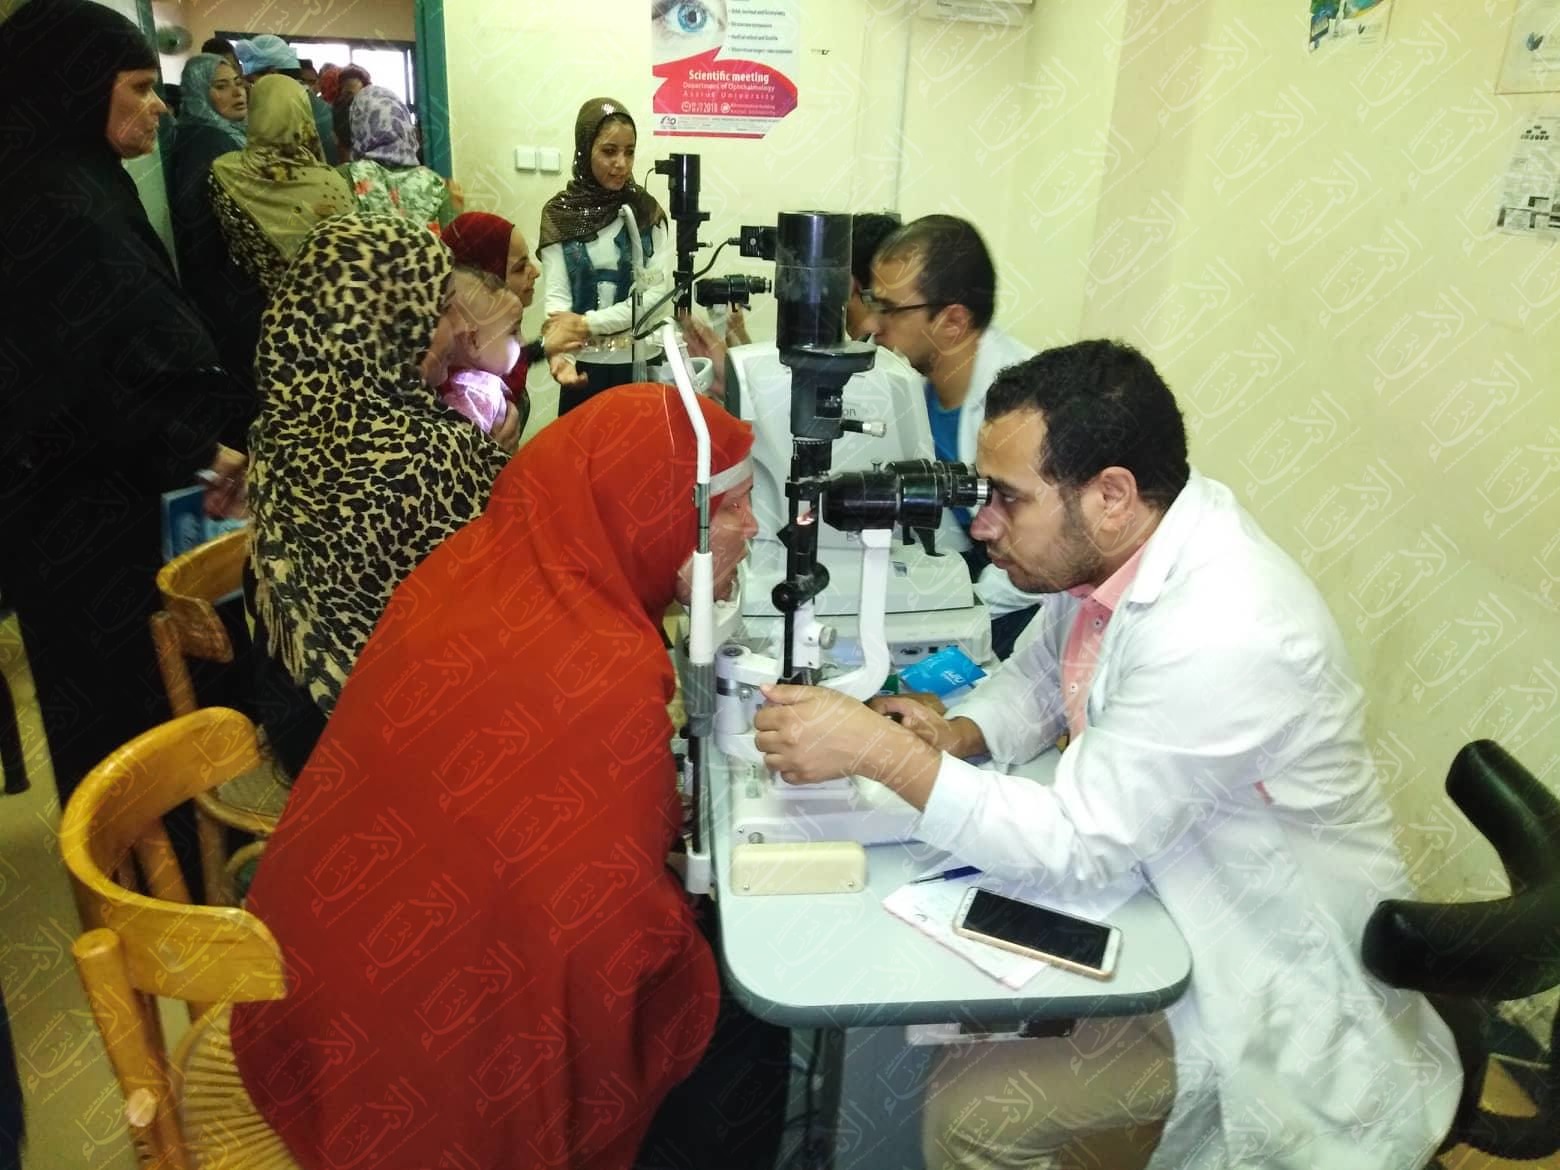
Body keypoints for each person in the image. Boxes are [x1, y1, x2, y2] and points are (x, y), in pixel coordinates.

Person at [752, 341, 1463, 1170]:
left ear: (1112, 495)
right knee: (950, 994)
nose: (982, 526)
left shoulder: (1224, 626)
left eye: (1008, 500)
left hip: (1260, 978)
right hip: (1158, 897)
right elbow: (1039, 677)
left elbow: (1078, 840)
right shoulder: (1122, 552)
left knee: (972, 1110)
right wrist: (956, 735)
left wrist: (882, 754)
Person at [232, 382, 788, 1170]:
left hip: (303, 1003)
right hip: (414, 1081)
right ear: (657, 514)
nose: (754, 526)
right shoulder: (601, 670)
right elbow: (609, 939)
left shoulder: (475, 568)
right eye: (732, 507)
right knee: (745, 1004)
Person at [0, 0, 248, 815]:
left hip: (131, 493)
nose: (159, 106)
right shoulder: (44, 205)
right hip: (82, 518)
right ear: (76, 88)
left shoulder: (86, 179)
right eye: (139, 87)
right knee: (121, 707)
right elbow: (71, 384)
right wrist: (197, 448)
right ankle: (135, 867)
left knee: (164, 691)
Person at [244, 214, 514, 777]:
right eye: (441, 310)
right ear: (387, 327)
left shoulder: (279, 432)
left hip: (302, 732)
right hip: (390, 759)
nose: (457, 328)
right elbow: (503, 611)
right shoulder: (425, 454)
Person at [865, 214, 1042, 657]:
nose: (872, 324)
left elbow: (1039, 556)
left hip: (1028, 599)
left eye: (889, 309)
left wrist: (950, 609)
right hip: (972, 567)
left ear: (953, 322)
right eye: (872, 302)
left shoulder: (1024, 410)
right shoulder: (914, 385)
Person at [539, 97, 674, 414]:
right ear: (585, 150)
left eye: (630, 152)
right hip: (587, 367)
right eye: (609, 151)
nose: (621, 163)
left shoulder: (646, 211)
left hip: (643, 362)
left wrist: (587, 324)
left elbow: (656, 297)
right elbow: (558, 298)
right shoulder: (560, 215)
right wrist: (561, 356)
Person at [170, 52, 265, 442]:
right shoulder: (208, 142)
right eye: (221, 86)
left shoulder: (217, 135)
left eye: (238, 84)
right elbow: (202, 225)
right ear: (199, 92)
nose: (237, 93)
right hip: (226, 290)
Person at [442, 209, 589, 430]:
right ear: (482, 279)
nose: (536, 272)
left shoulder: (479, 354)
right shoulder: (465, 399)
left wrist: (545, 347)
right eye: (520, 268)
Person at [210, 74, 354, 297]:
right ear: (303, 115)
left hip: (250, 301)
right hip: (319, 303)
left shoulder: (224, 171)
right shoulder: (330, 182)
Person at [341, 84, 461, 231]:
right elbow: (451, 241)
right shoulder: (435, 184)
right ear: (405, 125)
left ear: (358, 125)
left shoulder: (346, 177)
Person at [233, 33, 338, 163]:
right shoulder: (315, 103)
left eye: (252, 82)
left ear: (272, 75)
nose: (250, 90)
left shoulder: (284, 111)